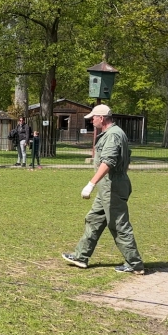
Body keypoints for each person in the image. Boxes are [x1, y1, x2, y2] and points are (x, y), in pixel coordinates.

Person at [62, 104, 145, 274]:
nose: (91, 120)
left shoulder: (113, 135)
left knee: (118, 224)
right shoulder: (112, 133)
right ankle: (81, 256)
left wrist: (91, 183)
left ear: (102, 118)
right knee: (94, 219)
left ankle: (134, 263)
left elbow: (108, 162)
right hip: (109, 185)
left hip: (112, 186)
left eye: (93, 117)